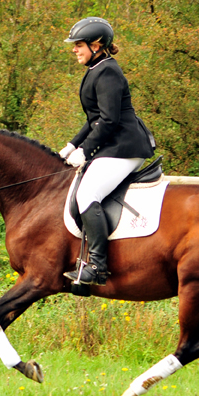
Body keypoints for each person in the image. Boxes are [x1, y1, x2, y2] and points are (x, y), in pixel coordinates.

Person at [60, 17, 155, 286]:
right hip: (114, 145)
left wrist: (86, 151)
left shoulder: (108, 72)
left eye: (79, 45)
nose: (74, 50)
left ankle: (98, 267)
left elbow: (110, 121)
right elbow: (95, 119)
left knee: (88, 194)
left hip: (125, 147)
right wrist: (73, 144)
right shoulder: (97, 70)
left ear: (97, 45)